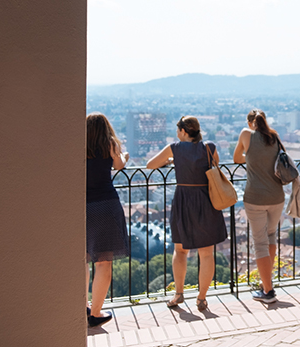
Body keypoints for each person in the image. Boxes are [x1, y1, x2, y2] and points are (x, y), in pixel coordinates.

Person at [147, 116, 228, 311]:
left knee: (180, 250)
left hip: (183, 200)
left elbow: (151, 164)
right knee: (207, 254)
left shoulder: (175, 148)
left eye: (178, 130)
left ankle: (179, 293)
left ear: (183, 131)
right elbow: (214, 166)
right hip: (205, 201)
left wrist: (172, 161)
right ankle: (201, 298)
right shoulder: (209, 147)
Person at [233, 109, 286, 304]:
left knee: (259, 243)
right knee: (271, 236)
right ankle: (266, 283)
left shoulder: (246, 135)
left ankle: (268, 291)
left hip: (255, 197)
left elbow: (237, 158)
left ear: (249, 123)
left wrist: (252, 158)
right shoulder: (274, 136)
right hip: (277, 196)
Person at [85, 112, 130, 328]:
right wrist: (125, 155)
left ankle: (81, 306)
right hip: (106, 204)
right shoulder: (110, 144)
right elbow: (119, 165)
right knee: (103, 262)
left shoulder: (77, 144)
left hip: (81, 206)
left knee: (82, 260)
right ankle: (96, 312)